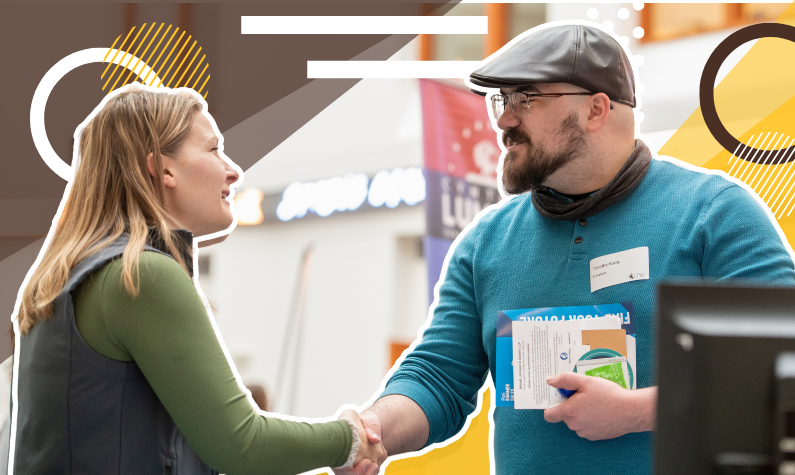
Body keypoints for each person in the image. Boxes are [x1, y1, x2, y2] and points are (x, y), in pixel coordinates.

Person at [336, 24, 795, 475]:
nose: (503, 118)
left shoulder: (714, 214)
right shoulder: (485, 243)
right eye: (503, 99)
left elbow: (783, 366)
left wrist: (637, 411)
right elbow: (436, 377)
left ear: (596, 110)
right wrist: (374, 429)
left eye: (526, 98)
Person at [11, 85, 386, 475]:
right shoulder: (142, 274)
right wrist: (348, 439)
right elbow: (243, 445)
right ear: (162, 168)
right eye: (213, 149)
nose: (233, 169)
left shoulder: (67, 278)